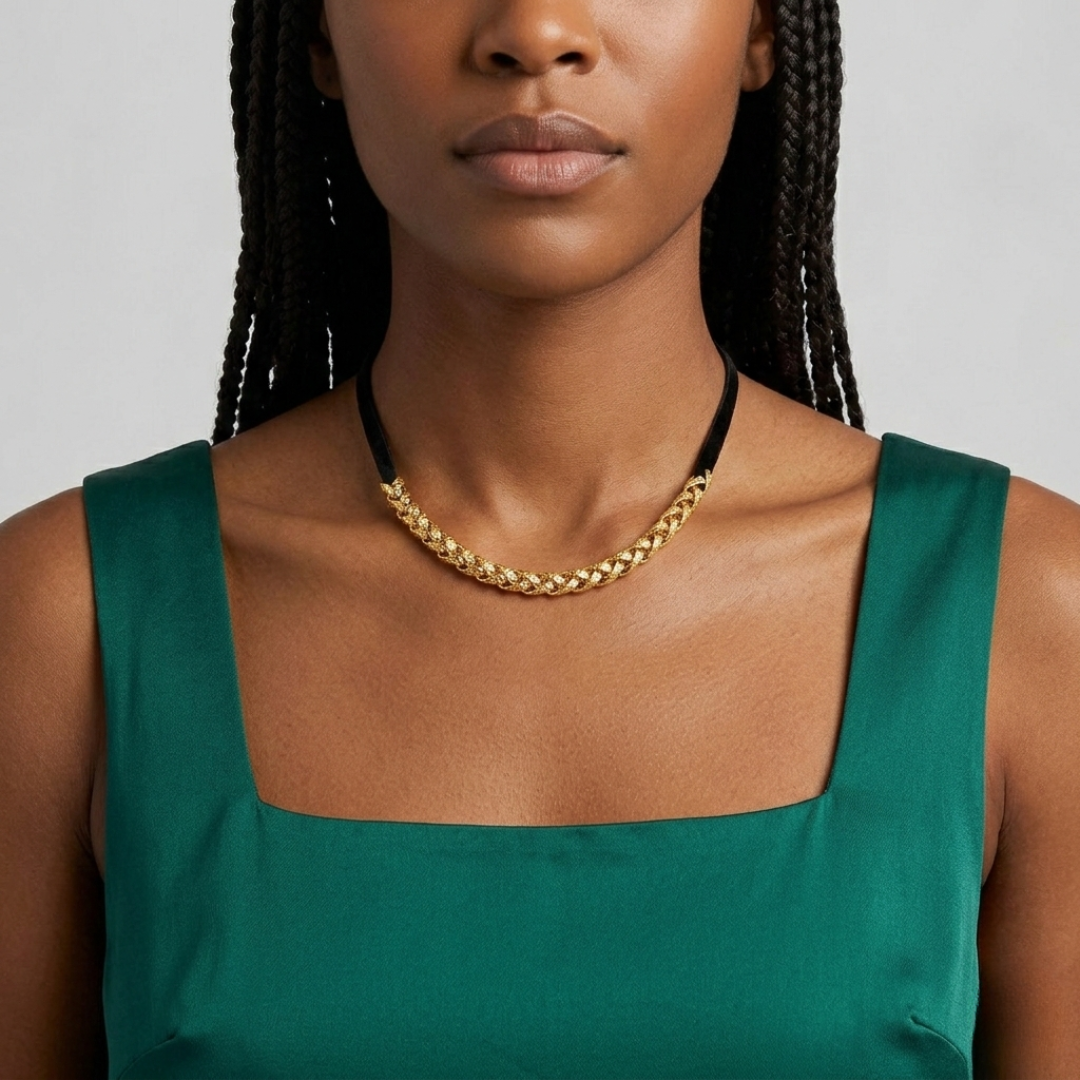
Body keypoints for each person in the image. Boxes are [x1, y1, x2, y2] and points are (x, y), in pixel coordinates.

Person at [1, 0, 1078, 1076]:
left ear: (760, 27)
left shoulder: (1027, 616)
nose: (536, 29)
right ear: (320, 34)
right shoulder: (65, 623)